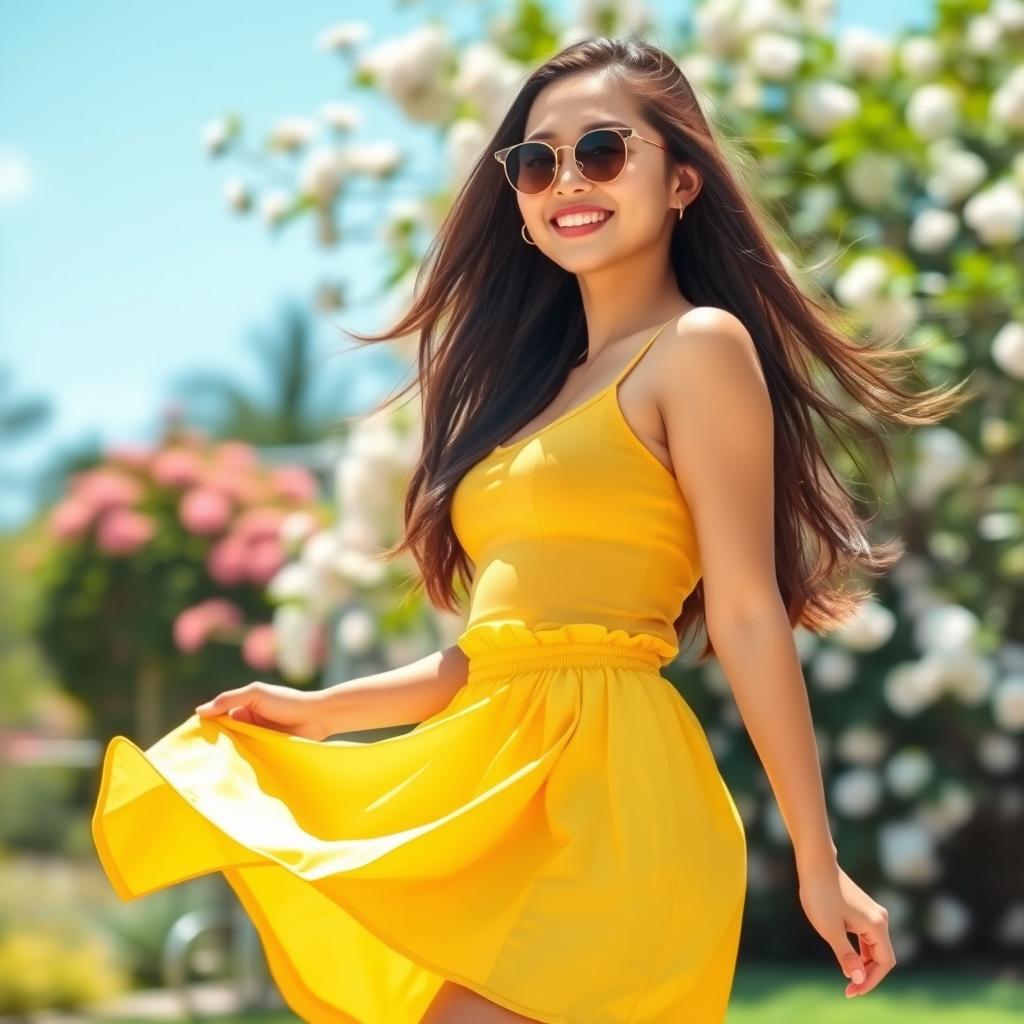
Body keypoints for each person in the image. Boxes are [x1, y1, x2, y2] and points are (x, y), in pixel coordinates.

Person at [92, 33, 970, 1023]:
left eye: (601, 150)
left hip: (617, 796)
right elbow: (497, 651)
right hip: (500, 776)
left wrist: (820, 863)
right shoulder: (531, 397)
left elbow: (747, 611)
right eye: (535, 160)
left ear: (681, 180)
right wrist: (318, 709)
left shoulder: (698, 348)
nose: (565, 181)